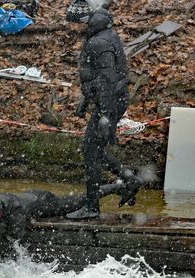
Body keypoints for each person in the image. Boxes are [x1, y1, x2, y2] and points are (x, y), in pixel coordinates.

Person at [67, 5, 142, 220]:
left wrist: (106, 115)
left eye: (72, 23)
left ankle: (92, 206)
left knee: (91, 151)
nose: (71, 28)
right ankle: (129, 179)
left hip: (110, 103)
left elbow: (107, 80)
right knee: (93, 148)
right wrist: (86, 100)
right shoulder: (102, 33)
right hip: (109, 101)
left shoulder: (98, 42)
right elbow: (97, 77)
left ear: (82, 21)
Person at [0, 184, 135, 259]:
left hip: (43, 202)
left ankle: (118, 187)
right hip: (27, 195)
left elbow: (17, 241)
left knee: (77, 201)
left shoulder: (15, 212)